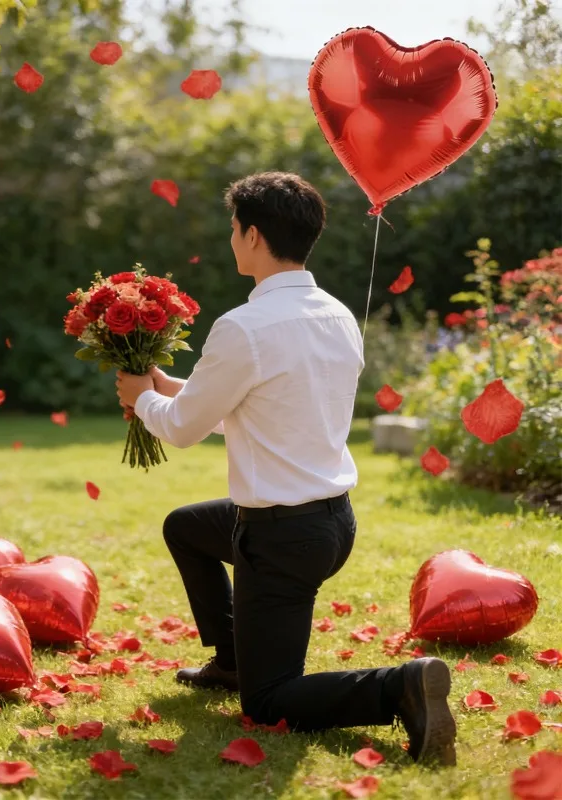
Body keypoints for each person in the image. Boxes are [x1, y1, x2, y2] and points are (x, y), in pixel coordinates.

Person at [115, 172, 457, 766]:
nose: (229, 239)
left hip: (280, 537)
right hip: (330, 524)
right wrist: (167, 386)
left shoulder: (243, 327)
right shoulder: (338, 316)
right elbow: (255, 409)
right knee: (187, 526)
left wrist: (141, 396)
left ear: (251, 235)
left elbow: (183, 428)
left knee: (269, 702)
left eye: (232, 229)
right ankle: (231, 658)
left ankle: (399, 686)